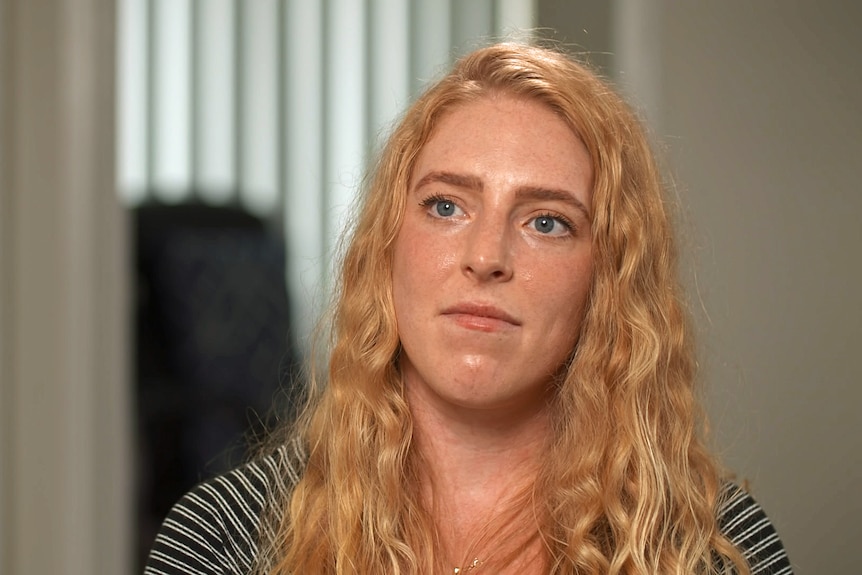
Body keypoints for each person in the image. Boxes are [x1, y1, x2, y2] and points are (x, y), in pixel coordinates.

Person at [144, 42, 793, 574]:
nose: (486, 256)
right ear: (387, 248)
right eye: (446, 206)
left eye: (547, 221)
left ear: (609, 281)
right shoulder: (226, 540)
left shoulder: (715, 550)